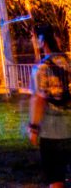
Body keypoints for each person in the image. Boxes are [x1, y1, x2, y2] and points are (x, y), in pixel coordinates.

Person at [28, 24, 71, 188]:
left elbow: (38, 100)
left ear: (42, 41)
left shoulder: (41, 69)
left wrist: (33, 128)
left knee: (55, 178)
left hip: (51, 134)